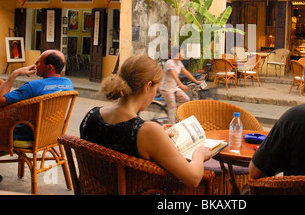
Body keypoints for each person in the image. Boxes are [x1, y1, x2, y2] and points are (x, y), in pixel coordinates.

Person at [80, 54, 211, 187]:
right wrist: (199, 154)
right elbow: (193, 178)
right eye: (156, 89)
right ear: (148, 86)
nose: (155, 93)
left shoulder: (90, 114)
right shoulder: (148, 132)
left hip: (92, 189)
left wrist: (157, 136)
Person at [0, 49, 73, 187]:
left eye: (39, 62)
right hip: (51, 134)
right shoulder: (67, 84)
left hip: (26, 136)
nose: (35, 64)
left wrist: (14, 74)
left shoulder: (32, 87)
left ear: (49, 67)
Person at [159, 47, 201, 123]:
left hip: (174, 88)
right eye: (182, 53)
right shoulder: (169, 63)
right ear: (177, 54)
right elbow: (174, 75)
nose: (183, 54)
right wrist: (181, 85)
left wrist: (196, 81)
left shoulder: (179, 63)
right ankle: (172, 125)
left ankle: (174, 113)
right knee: (172, 106)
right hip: (166, 89)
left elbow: (186, 73)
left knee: (186, 99)